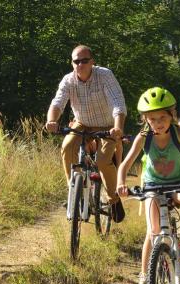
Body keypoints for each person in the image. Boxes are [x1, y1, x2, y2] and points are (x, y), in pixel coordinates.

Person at [116, 87, 180, 284]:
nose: (158, 122)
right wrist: (121, 184)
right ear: (145, 119)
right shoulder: (143, 136)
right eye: (152, 118)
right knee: (153, 231)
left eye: (162, 117)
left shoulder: (178, 133)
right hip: (152, 187)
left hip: (178, 183)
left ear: (171, 116)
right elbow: (125, 164)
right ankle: (145, 277)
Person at [45, 44, 127, 222]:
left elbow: (118, 103)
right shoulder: (68, 80)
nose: (80, 64)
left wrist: (118, 127)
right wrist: (52, 120)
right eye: (76, 61)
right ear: (72, 63)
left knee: (103, 161)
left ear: (92, 62)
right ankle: (74, 192)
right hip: (82, 123)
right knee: (67, 147)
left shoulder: (104, 75)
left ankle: (114, 200)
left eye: (84, 60)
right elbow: (58, 102)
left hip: (107, 125)